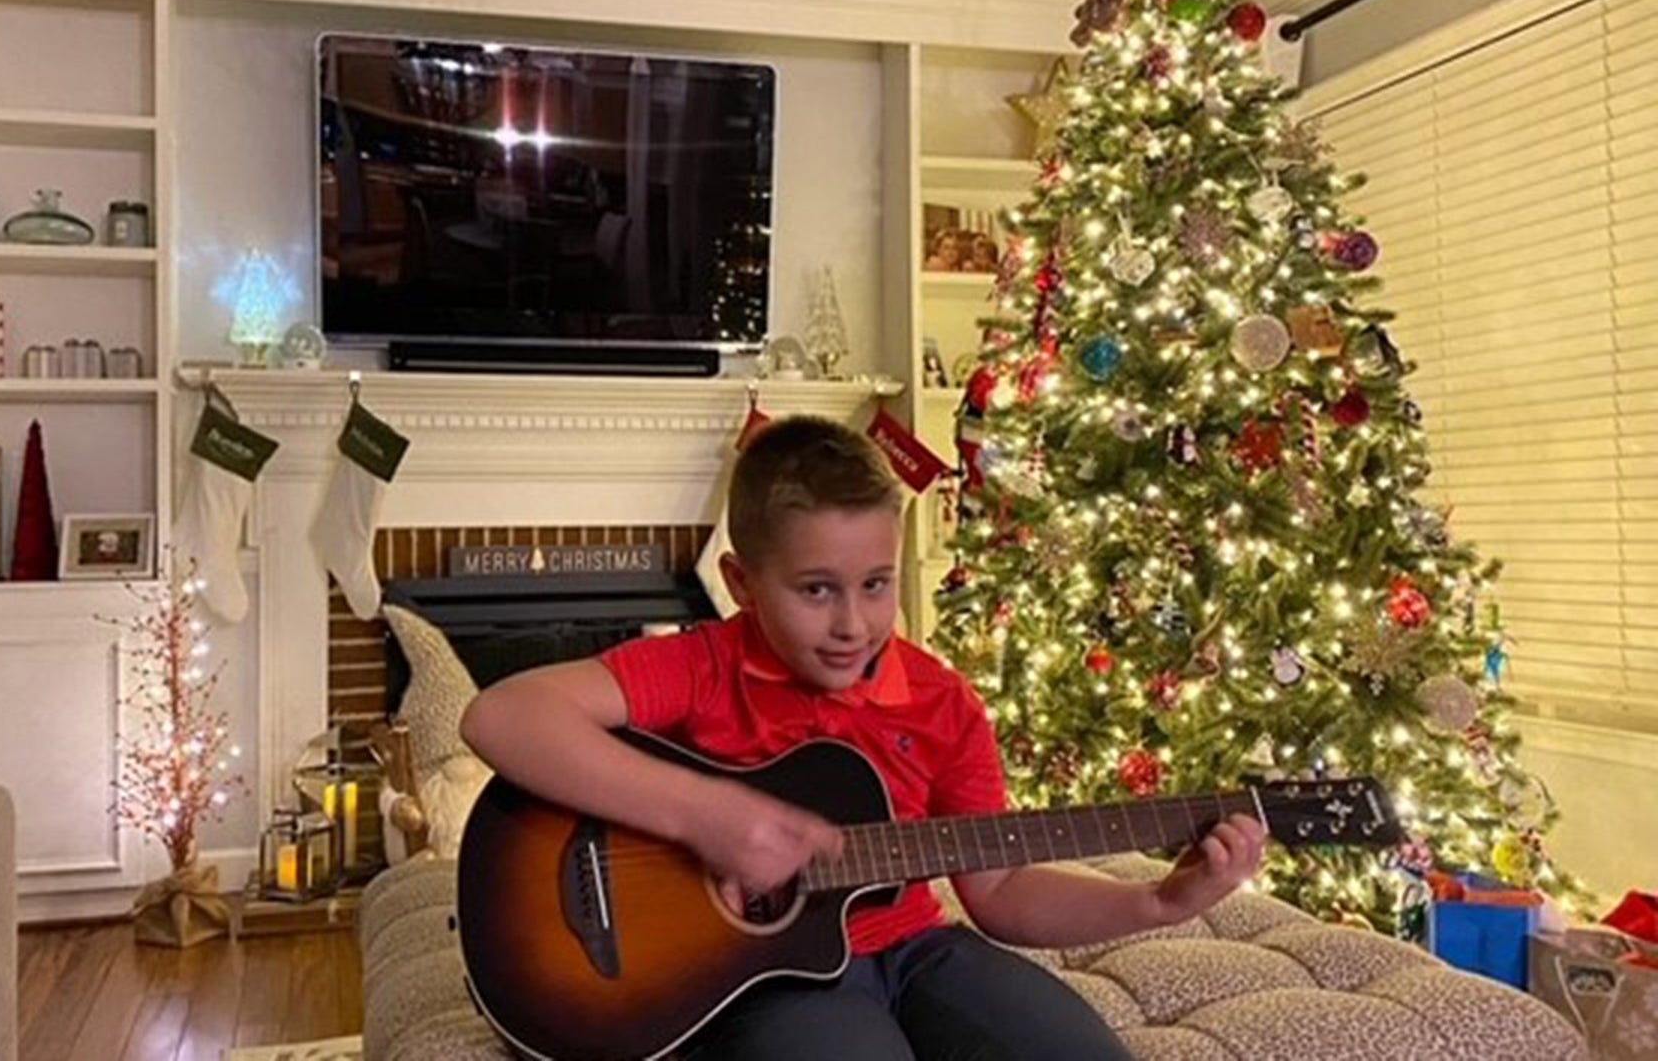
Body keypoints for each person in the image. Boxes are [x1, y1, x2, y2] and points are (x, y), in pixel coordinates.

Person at [460, 416, 1266, 1060]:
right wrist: (707, 819)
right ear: (741, 583)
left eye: (876, 585)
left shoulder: (940, 702)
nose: (853, 624)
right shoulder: (704, 666)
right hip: (769, 981)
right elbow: (500, 716)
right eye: (816, 590)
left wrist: (1158, 900)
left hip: (918, 950)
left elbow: (1003, 894)